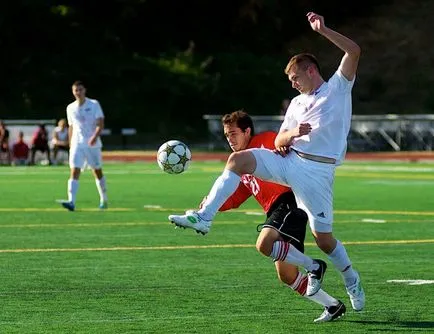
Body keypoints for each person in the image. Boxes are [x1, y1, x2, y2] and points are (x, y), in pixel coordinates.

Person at [169, 12, 365, 312]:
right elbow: (277, 141)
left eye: (295, 77)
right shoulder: (298, 104)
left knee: (323, 239)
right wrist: (291, 134)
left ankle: (351, 277)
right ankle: (203, 217)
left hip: (318, 173)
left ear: (311, 70)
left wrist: (323, 30)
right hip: (291, 163)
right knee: (238, 160)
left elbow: (354, 51)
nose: (293, 84)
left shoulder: (338, 88)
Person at [183, 111, 346, 322]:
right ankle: (332, 305)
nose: (230, 139)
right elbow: (234, 198)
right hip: (275, 212)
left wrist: (285, 144)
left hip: (289, 201)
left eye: (233, 133)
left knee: (264, 243)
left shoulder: (265, 140)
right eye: (226, 135)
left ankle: (314, 265)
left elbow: (285, 145)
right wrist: (210, 204)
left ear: (247, 131)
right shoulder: (244, 166)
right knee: (286, 275)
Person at [58, 80, 108, 211]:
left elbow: (100, 123)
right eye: (76, 90)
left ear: (84, 90)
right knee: (74, 171)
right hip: (77, 144)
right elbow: (71, 127)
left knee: (97, 171)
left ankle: (103, 199)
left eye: (80, 89)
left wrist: (94, 137)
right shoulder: (70, 107)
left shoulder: (94, 104)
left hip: (93, 144)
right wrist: (70, 144)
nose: (78, 92)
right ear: (73, 92)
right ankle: (71, 202)